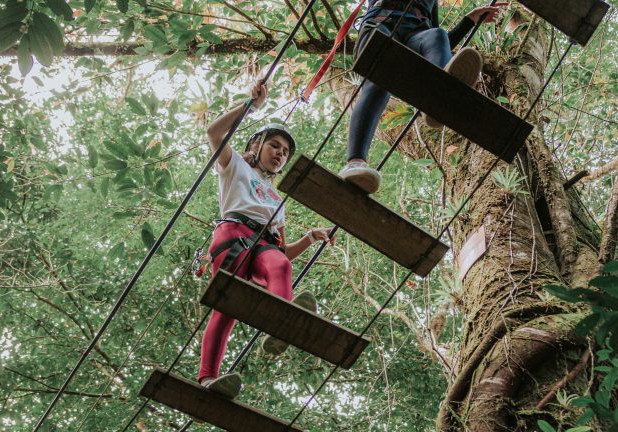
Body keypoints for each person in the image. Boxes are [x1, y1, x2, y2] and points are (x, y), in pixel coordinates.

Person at [198, 81, 334, 399]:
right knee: (226, 309)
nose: (280, 154)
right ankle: (207, 377)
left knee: (280, 264)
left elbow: (282, 251)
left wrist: (308, 238)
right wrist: (249, 106)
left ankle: (279, 324)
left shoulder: (277, 198)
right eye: (274, 146)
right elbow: (214, 133)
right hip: (233, 237)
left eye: (285, 152)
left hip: (264, 244)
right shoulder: (235, 167)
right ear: (257, 144)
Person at [339, 1, 508, 194]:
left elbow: (438, 46)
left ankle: (438, 93)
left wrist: (469, 21)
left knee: (438, 34)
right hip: (380, 24)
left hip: (415, 37)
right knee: (379, 78)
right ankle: (355, 162)